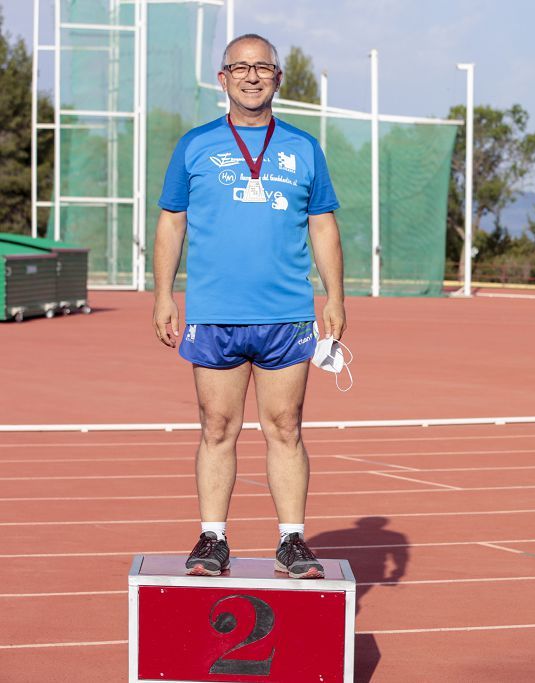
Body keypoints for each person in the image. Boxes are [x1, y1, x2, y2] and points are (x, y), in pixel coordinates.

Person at [151, 33, 345, 579]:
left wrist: (335, 295)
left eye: (264, 67)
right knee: (217, 426)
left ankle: (292, 541)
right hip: (215, 313)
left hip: (287, 314)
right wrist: (164, 294)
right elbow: (171, 220)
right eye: (241, 67)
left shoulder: (305, 148)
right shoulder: (195, 145)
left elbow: (323, 222)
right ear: (224, 78)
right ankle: (213, 539)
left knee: (285, 425)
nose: (253, 76)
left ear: (278, 78)